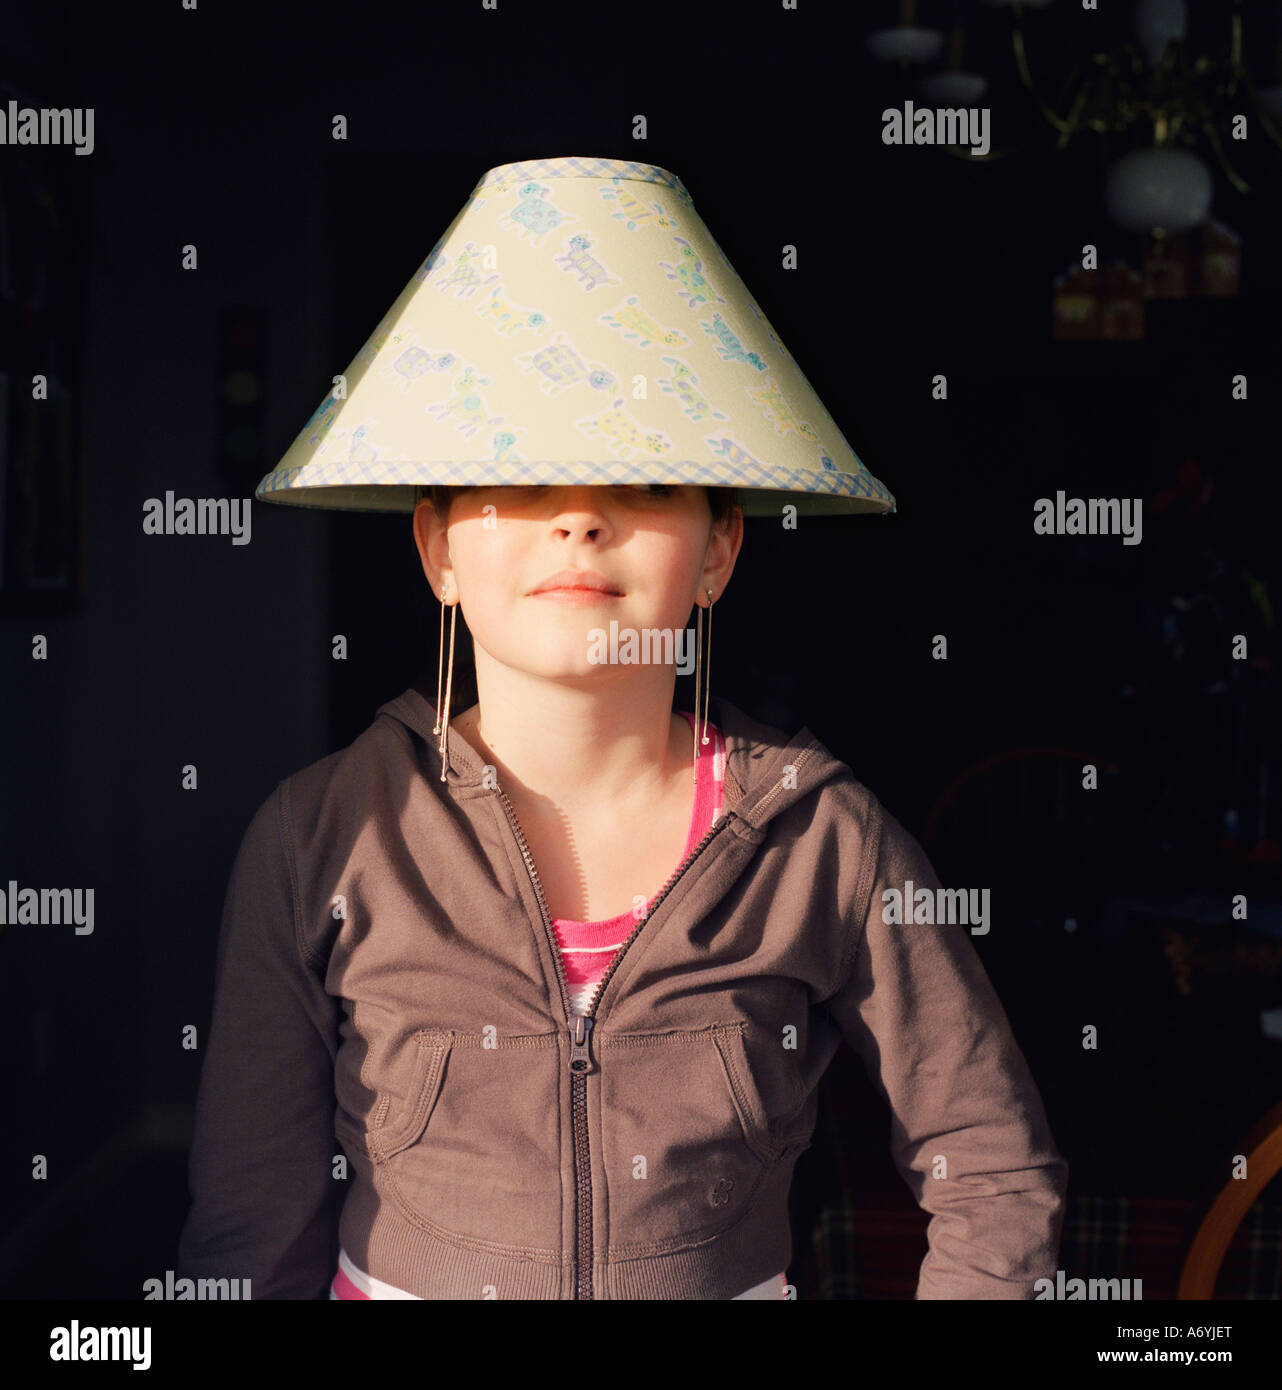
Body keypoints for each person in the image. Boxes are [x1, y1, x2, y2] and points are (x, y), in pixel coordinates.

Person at [176, 479, 1068, 1301]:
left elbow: (991, 1172)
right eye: (523, 479)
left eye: (643, 484)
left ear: (718, 551)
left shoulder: (822, 842)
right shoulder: (323, 837)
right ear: (439, 548)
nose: (581, 519)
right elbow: (253, 1226)